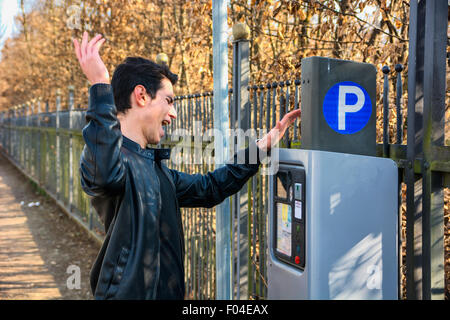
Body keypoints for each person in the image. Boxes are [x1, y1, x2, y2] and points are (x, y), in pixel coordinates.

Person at [73, 32, 300, 300]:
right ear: (141, 96)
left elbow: (210, 188)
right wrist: (100, 85)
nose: (173, 113)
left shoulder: (156, 169)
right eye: (168, 101)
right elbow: (104, 173)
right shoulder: (111, 162)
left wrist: (261, 147)